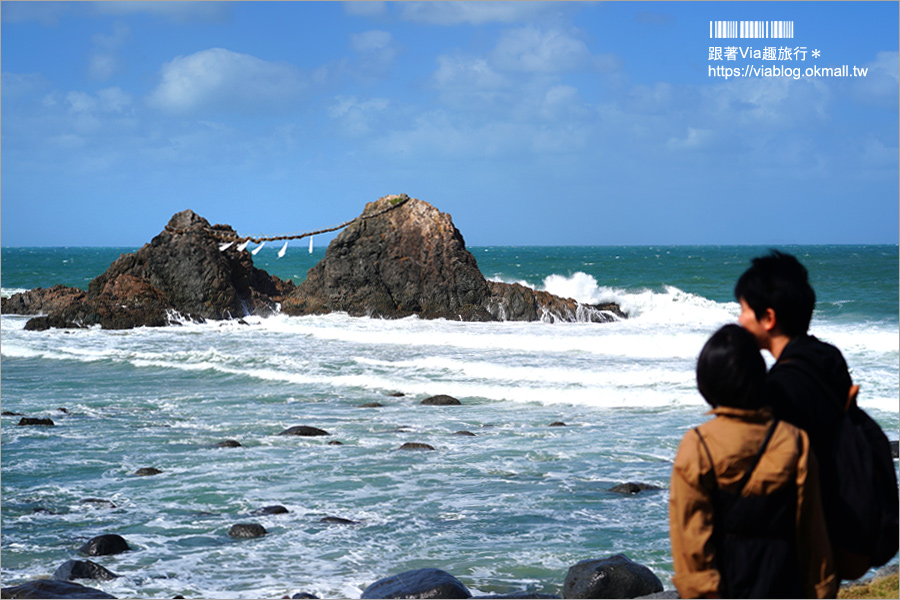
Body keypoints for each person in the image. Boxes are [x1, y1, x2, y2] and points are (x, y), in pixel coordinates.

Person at [669, 324, 836, 599]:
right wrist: (821, 590)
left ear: (706, 382)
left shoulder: (698, 445)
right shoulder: (792, 439)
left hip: (727, 585)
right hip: (785, 584)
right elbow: (812, 532)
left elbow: (690, 539)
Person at [733, 250, 867, 577]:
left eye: (743, 309)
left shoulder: (779, 389)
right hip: (836, 525)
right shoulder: (828, 358)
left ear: (769, 318)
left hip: (797, 547)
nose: (738, 320)